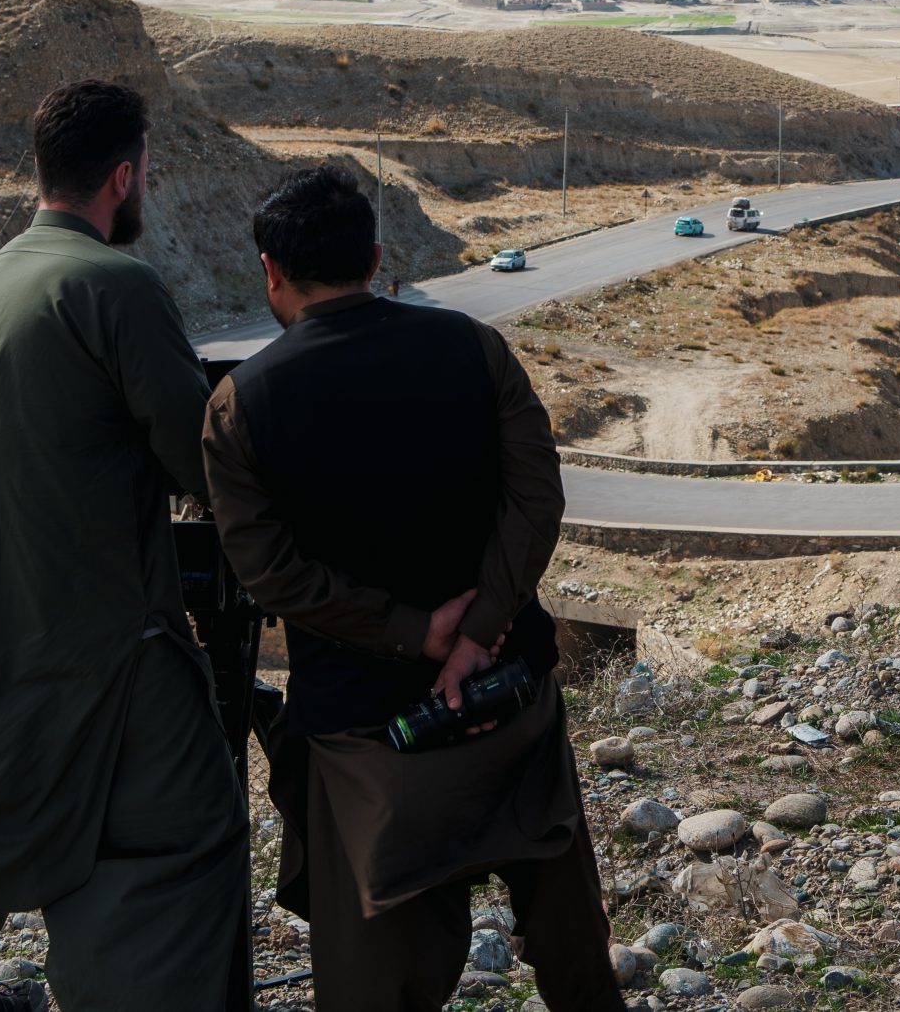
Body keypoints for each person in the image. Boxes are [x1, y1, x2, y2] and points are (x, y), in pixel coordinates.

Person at [0, 79, 246, 1012]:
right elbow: (207, 466)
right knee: (184, 845)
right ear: (125, 176)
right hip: (107, 659)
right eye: (146, 172)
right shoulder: (116, 285)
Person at [202, 165, 620, 1012]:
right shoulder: (472, 346)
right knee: (576, 958)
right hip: (513, 708)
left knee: (373, 986)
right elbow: (536, 496)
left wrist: (413, 632)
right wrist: (479, 631)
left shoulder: (241, 404)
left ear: (271, 271)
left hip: (366, 747)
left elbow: (271, 572)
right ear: (377, 256)